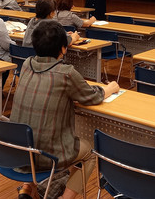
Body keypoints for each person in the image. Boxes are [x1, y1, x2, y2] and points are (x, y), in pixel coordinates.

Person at [11, 20, 119, 199]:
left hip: (18, 151)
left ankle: (27, 189)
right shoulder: (66, 73)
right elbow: (91, 96)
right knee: (90, 153)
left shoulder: (27, 64)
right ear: (63, 48)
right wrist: (110, 88)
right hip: (45, 155)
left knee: (32, 131)